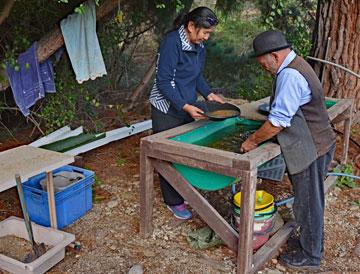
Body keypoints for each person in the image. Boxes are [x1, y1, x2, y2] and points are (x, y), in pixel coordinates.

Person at [240, 30, 336, 271]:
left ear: (273, 55)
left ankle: (311, 256)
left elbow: (276, 123)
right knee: (311, 200)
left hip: (309, 148)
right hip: (318, 142)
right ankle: (309, 241)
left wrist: (252, 141)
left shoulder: (290, 75)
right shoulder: (296, 64)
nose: (263, 67)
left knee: (308, 203)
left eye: (263, 63)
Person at [149, 7, 224, 220]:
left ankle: (184, 190)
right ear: (191, 26)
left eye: (209, 33)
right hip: (166, 107)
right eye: (205, 32)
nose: (206, 37)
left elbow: (196, 75)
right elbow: (163, 82)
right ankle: (173, 201)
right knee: (168, 154)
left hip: (185, 103)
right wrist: (185, 106)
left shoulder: (199, 46)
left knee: (186, 148)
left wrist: (209, 94)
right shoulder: (172, 43)